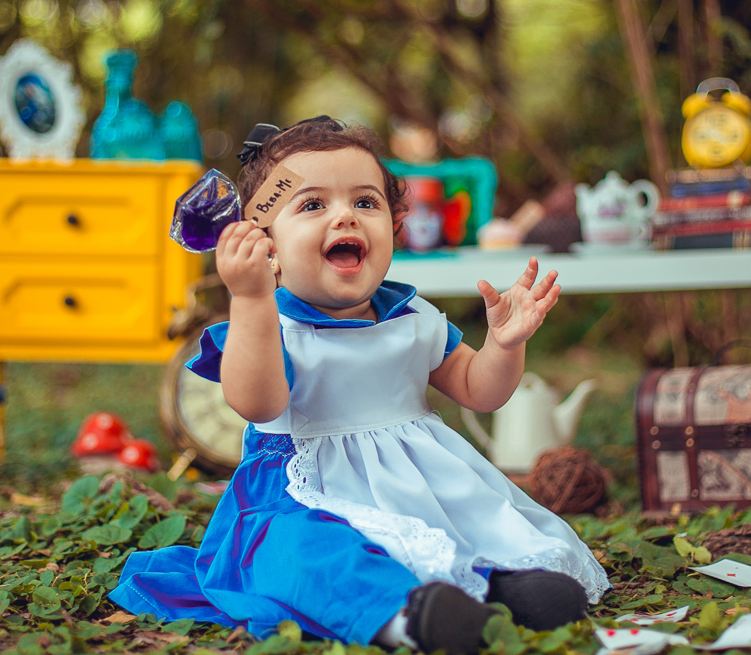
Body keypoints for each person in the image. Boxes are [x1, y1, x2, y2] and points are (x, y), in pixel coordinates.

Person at [109, 117, 610, 654]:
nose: (345, 215)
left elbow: (479, 391)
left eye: (365, 203)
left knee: (460, 529)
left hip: (417, 488)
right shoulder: (270, 325)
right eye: (311, 205)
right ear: (267, 245)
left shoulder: (412, 314)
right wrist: (251, 299)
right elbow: (256, 402)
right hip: (303, 497)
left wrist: (503, 346)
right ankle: (408, 618)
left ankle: (499, 581)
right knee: (305, 552)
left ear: (395, 226)